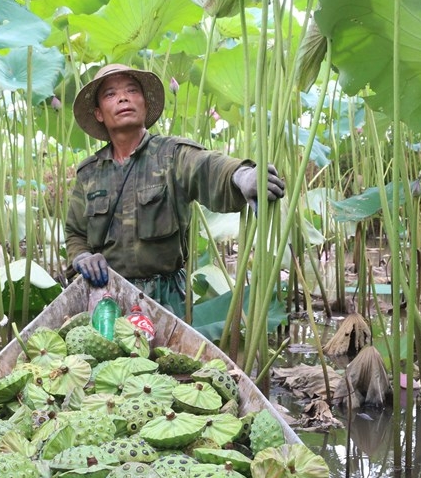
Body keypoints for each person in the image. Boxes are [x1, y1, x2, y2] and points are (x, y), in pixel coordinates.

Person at [65, 63, 285, 318]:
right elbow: (76, 233)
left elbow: (208, 167)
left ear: (145, 105)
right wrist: (82, 257)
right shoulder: (89, 174)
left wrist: (243, 175)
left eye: (132, 90)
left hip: (165, 299)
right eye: (110, 94)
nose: (123, 98)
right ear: (99, 114)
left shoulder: (171, 155)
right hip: (106, 299)